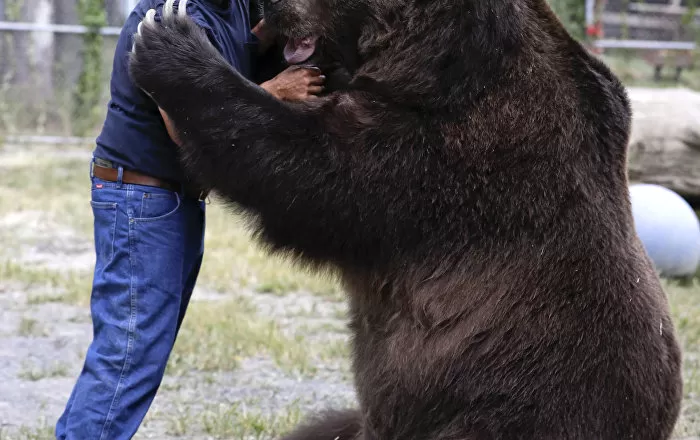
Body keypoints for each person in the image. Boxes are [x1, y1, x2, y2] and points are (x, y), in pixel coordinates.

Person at [55, 0, 324, 438]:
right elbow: (186, 127)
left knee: (138, 352)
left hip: (173, 199)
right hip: (141, 199)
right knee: (128, 355)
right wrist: (275, 91)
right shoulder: (169, 18)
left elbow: (234, 47)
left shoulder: (230, 5)